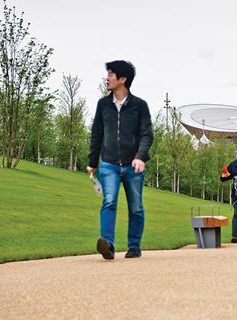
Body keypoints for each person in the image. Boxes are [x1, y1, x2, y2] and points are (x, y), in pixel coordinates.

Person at [87, 60, 153, 260]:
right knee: (109, 202)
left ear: (123, 79)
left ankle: (134, 246)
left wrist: (140, 157)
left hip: (133, 166)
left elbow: (147, 134)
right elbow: (96, 133)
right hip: (109, 164)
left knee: (136, 207)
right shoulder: (103, 104)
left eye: (111, 75)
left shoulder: (139, 106)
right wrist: (93, 162)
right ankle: (108, 245)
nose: (107, 78)